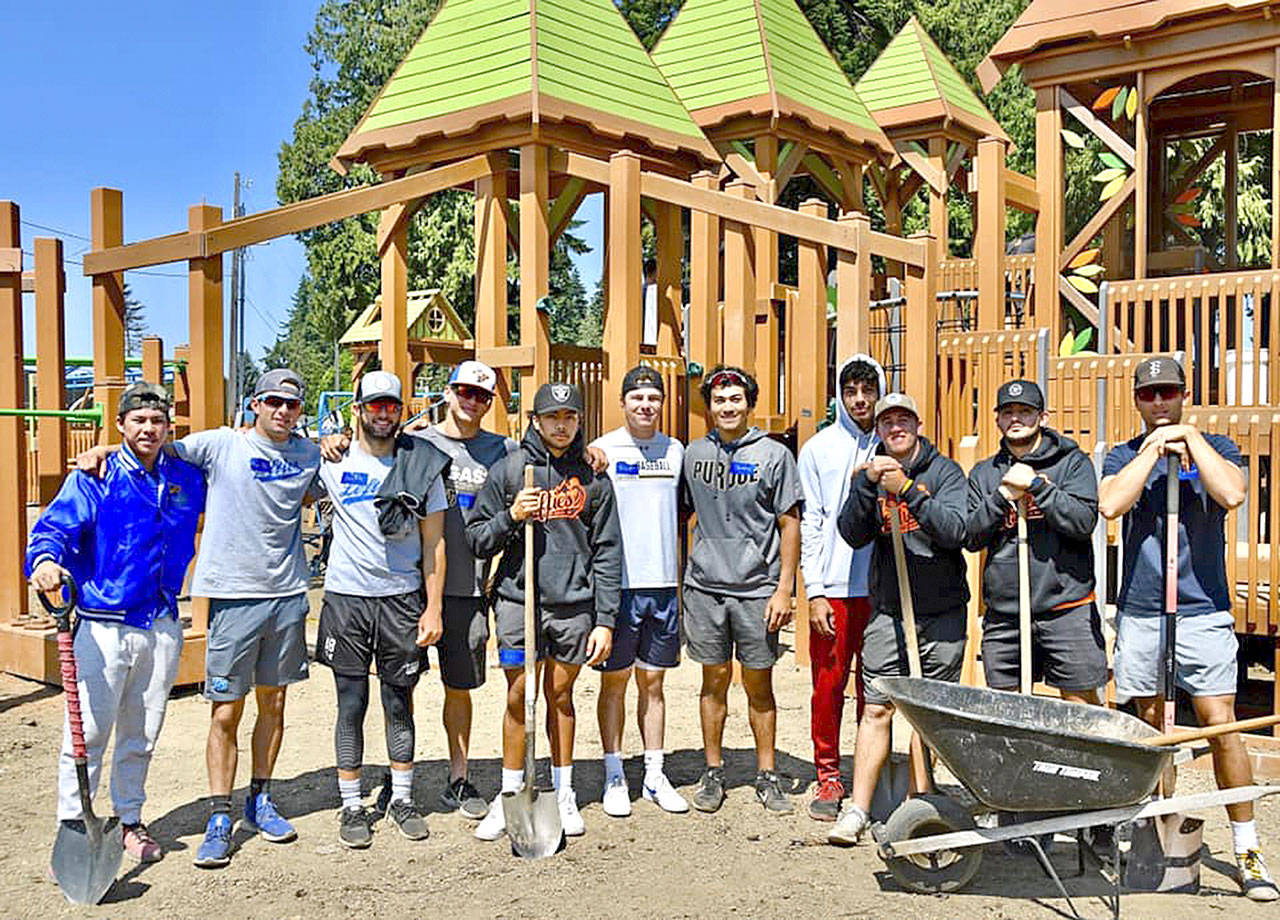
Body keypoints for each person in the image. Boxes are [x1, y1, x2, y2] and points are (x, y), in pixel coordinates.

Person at [1099, 356, 1277, 901]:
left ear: (1183, 395)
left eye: (1168, 393)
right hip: (1144, 607)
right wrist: (1153, 449)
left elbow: (1234, 494)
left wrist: (1189, 441)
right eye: (1149, 395)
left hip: (1202, 609)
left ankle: (1246, 847)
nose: (1159, 404)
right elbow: (1110, 504)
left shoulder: (1216, 450)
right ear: (1137, 400)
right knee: (1154, 724)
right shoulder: (1124, 454)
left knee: (1219, 721)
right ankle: (1159, 830)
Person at [325, 361, 516, 820]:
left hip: (467, 585)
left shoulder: (504, 450)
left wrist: (594, 455)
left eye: (482, 395)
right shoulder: (416, 443)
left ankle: (458, 776)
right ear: (448, 394)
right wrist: (332, 441)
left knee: (459, 686)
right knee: (398, 688)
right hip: (406, 587)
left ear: (490, 403)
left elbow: (545, 457)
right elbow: (361, 449)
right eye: (464, 392)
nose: (472, 401)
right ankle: (398, 775)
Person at [27, 382, 206, 864]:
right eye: (138, 420)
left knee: (142, 732)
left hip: (162, 622)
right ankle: (74, 825)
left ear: (168, 426)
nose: (148, 428)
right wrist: (45, 562)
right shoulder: (95, 476)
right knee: (87, 730)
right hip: (103, 624)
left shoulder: (187, 476)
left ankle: (130, 820)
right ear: (122, 425)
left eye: (157, 420)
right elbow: (53, 530)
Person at [466, 382, 621, 840]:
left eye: (569, 417)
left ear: (578, 421)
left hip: (573, 609)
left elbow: (609, 552)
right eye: (551, 417)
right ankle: (511, 791)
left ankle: (563, 790)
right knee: (519, 696)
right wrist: (512, 515)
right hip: (518, 603)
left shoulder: (593, 478)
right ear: (535, 420)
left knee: (559, 696)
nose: (561, 425)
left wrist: (606, 620)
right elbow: (476, 538)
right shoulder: (512, 470)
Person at [314, 371, 447, 848]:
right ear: (358, 409)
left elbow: (435, 542)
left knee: (399, 701)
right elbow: (265, 444)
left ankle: (403, 797)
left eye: (391, 405)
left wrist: (432, 610)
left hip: (401, 598)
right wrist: (324, 439)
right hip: (347, 598)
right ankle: (351, 805)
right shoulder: (330, 459)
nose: (384, 413)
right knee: (350, 704)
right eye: (375, 405)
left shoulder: (422, 464)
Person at [830, 392, 968, 844]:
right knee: (877, 706)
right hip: (889, 610)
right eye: (887, 422)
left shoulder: (943, 471)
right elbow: (851, 534)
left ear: (918, 423)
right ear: (879, 430)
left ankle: (919, 806)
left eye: (903, 419)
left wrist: (907, 491)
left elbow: (956, 530)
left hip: (942, 609)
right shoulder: (868, 472)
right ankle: (857, 810)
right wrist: (867, 487)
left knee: (927, 712)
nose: (895, 428)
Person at [681, 365, 801, 815]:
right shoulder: (693, 455)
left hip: (757, 589)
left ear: (749, 405)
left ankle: (766, 774)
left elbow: (790, 523)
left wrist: (784, 589)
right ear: (709, 407)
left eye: (735, 400)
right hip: (706, 587)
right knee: (713, 682)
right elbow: (679, 515)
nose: (727, 408)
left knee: (759, 685)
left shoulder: (774, 455)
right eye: (719, 400)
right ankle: (713, 770)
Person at [965, 380, 1105, 703]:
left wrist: (1038, 488)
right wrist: (1002, 496)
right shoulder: (985, 473)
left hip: (1066, 608)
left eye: (1025, 412)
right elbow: (971, 536)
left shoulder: (1072, 463)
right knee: (1006, 709)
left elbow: (1084, 522)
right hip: (1006, 614)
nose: (1016, 418)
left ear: (1043, 417)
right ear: (997, 419)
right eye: (1008, 412)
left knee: (1081, 708)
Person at [591, 366, 688, 817]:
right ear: (623, 402)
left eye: (653, 397)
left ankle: (653, 772)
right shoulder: (602, 450)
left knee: (654, 683)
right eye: (637, 398)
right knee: (615, 683)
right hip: (619, 587)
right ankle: (614, 771)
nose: (645, 405)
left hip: (663, 584)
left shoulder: (676, 451)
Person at [797, 354, 884, 821]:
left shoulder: (892, 442)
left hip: (881, 585)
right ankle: (828, 773)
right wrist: (814, 589)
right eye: (851, 390)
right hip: (834, 585)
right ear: (840, 394)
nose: (860, 399)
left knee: (877, 689)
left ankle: (871, 775)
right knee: (828, 685)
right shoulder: (818, 449)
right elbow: (811, 522)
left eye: (868, 390)